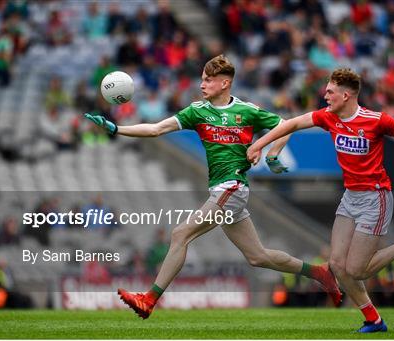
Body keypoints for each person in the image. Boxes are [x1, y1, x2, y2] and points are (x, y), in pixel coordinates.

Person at [83, 55, 341, 319]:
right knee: (258, 257)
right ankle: (319, 272)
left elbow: (286, 127)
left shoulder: (246, 111)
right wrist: (116, 128)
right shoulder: (197, 111)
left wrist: (272, 154)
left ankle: (149, 299)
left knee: (181, 234)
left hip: (233, 187)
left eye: (208, 80)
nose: (202, 84)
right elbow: (156, 129)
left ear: (225, 83)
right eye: (202, 79)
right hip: (222, 190)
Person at [247, 68, 394, 333]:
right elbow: (292, 124)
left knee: (357, 270)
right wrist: (259, 144)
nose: (325, 95)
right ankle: (374, 320)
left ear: (346, 94)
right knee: (337, 265)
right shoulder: (328, 117)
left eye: (330, 91)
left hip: (376, 198)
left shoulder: (376, 121)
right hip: (350, 197)